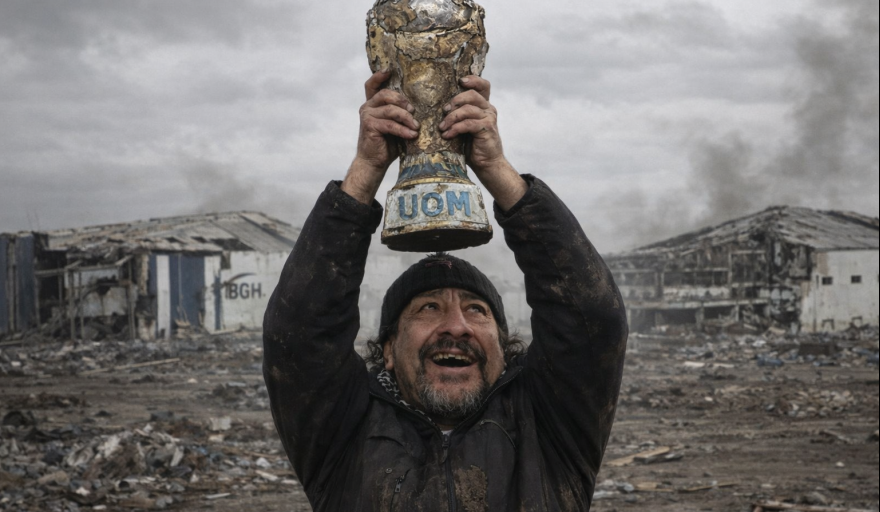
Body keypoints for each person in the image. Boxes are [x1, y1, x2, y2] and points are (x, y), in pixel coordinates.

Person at [263, 70, 628, 511]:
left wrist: (494, 167)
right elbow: (300, 333)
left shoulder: (549, 426)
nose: (456, 326)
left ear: (503, 347)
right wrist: (367, 167)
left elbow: (591, 316)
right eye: (428, 308)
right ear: (389, 350)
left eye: (477, 310)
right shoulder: (343, 433)